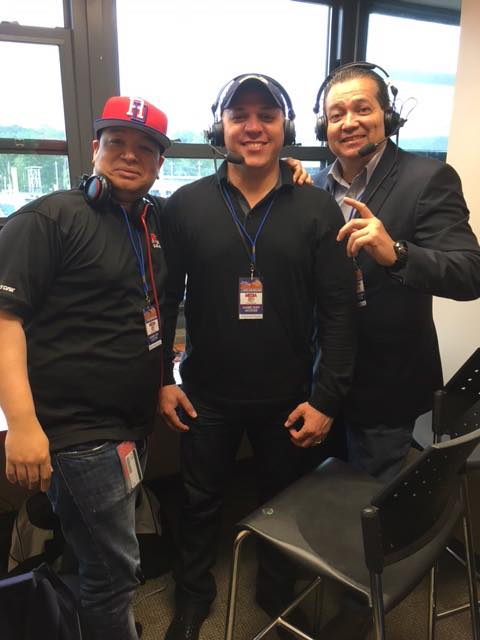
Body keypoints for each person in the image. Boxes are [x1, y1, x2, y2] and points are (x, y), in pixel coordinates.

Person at [159, 73, 356, 640]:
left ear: (285, 127)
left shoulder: (316, 208)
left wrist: (326, 399)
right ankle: (193, 597)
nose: (253, 127)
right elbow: (163, 300)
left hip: (288, 397)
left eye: (266, 116)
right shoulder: (186, 205)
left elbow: (339, 312)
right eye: (239, 115)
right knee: (198, 503)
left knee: (281, 502)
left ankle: (276, 591)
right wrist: (161, 379)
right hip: (205, 396)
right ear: (219, 127)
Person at [314, 61, 480, 638]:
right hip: (322, 375)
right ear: (323, 126)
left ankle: (363, 603)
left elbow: (469, 271)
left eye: (363, 108)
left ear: (388, 115)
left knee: (371, 499)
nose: (349, 121)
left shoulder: (427, 179)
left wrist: (398, 253)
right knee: (328, 486)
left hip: (386, 379)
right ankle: (328, 566)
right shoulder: (315, 187)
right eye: (337, 113)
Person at [0, 95, 171, 640]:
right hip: (80, 435)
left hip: (129, 425)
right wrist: (22, 425)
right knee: (115, 571)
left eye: (145, 148)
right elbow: (4, 321)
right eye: (116, 142)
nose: (130, 155)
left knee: (98, 554)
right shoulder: (49, 219)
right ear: (95, 148)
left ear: (160, 162)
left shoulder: (147, 222)